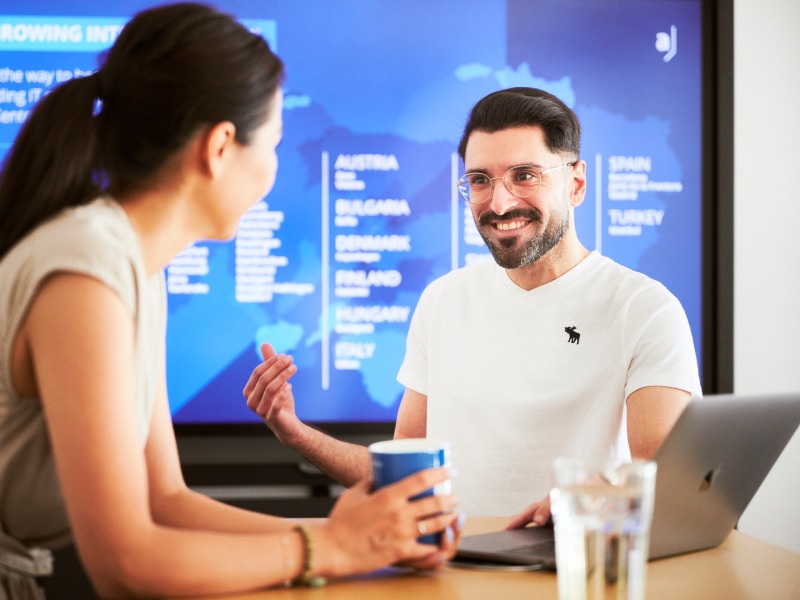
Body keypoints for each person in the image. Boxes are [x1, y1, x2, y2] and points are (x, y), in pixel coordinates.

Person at [0, 3, 460, 598]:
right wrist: (336, 547)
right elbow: (125, 562)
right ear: (219, 147)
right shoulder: (85, 267)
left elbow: (163, 501)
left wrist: (366, 538)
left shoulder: (132, 266)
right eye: (272, 144)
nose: (273, 170)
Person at [244, 87, 701, 526]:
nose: (499, 203)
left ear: (576, 183)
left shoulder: (644, 310)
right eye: (480, 180)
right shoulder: (442, 301)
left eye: (525, 175)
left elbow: (668, 479)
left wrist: (582, 502)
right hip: (450, 571)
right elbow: (404, 479)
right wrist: (295, 432)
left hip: (575, 569)